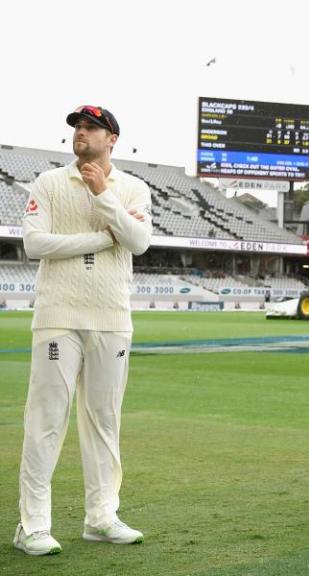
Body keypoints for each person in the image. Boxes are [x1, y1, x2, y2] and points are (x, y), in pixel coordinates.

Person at [16, 105, 152, 555]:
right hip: (58, 316)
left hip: (111, 319)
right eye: (77, 126)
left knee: (104, 421)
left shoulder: (133, 188)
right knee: (45, 421)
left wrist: (103, 196)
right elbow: (35, 244)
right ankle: (32, 525)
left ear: (111, 138)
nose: (81, 132)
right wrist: (98, 239)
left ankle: (101, 516)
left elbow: (138, 242)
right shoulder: (50, 183)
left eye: (91, 127)